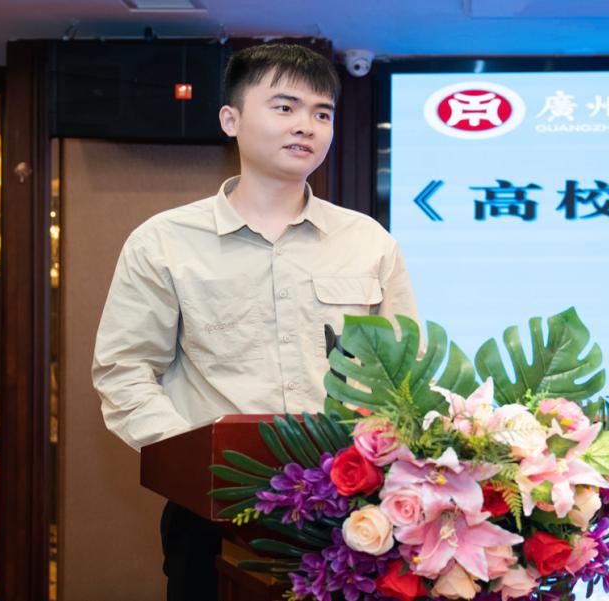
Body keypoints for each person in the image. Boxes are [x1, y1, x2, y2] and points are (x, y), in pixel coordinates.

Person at [92, 43, 419, 601]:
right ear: (231, 119)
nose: (306, 126)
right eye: (285, 107)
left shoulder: (368, 241)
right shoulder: (164, 242)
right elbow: (124, 371)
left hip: (353, 509)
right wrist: (195, 462)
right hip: (211, 513)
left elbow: (405, 372)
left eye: (322, 113)